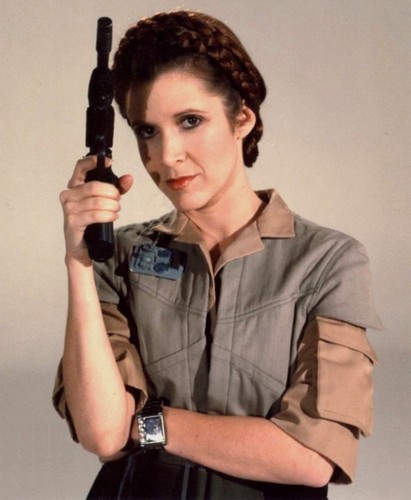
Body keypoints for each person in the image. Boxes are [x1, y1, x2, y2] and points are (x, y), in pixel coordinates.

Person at [53, 10, 381, 499]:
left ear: (242, 118)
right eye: (147, 131)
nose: (166, 155)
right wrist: (79, 259)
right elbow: (102, 433)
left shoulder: (328, 262)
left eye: (190, 121)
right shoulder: (119, 256)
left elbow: (311, 456)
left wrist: (149, 425)